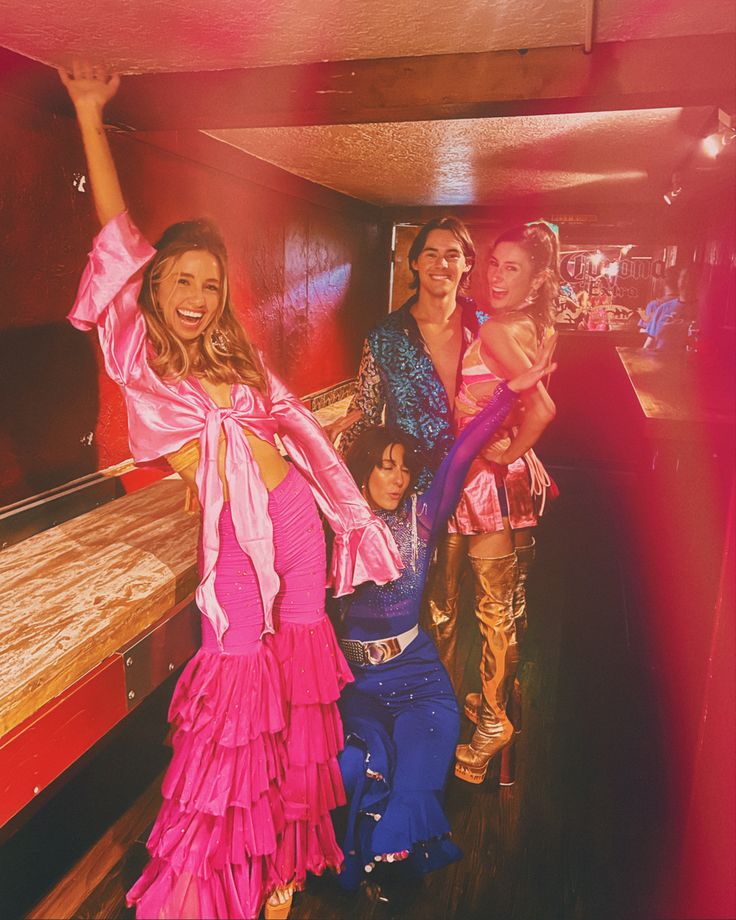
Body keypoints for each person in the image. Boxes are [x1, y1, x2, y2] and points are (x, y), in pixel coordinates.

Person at [59, 62, 402, 920]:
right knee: (239, 696)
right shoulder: (141, 357)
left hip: (292, 524)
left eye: (211, 287)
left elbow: (298, 430)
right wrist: (87, 111)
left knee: (295, 694)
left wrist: (351, 519)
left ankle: (279, 862)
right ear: (155, 284)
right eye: (183, 280)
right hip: (233, 549)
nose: (198, 297)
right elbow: (115, 229)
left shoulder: (231, 356)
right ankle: (211, 886)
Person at [335, 340, 558, 893]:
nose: (398, 479)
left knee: (418, 768)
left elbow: (463, 451)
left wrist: (510, 394)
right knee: (352, 763)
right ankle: (369, 852)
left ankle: (387, 861)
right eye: (385, 469)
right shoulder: (339, 527)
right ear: (362, 471)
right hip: (356, 685)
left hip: (418, 681)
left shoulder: (423, 515)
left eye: (405, 470)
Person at [329, 217, 487, 693]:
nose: (442, 263)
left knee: (489, 610)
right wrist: (328, 441)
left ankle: (473, 715)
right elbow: (367, 406)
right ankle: (425, 698)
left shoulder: (486, 326)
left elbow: (512, 396)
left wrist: (525, 447)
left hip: (479, 482)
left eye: (453, 254)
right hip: (415, 496)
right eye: (432, 253)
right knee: (431, 609)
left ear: (467, 265)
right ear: (414, 262)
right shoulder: (385, 336)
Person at [451, 222, 559, 784]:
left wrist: (502, 452)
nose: (495, 276)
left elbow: (542, 410)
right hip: (518, 478)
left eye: (512, 268)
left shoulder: (496, 332)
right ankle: (496, 702)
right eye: (494, 263)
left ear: (536, 278)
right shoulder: (532, 325)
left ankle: (493, 721)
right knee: (509, 605)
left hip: (491, 479)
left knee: (489, 610)